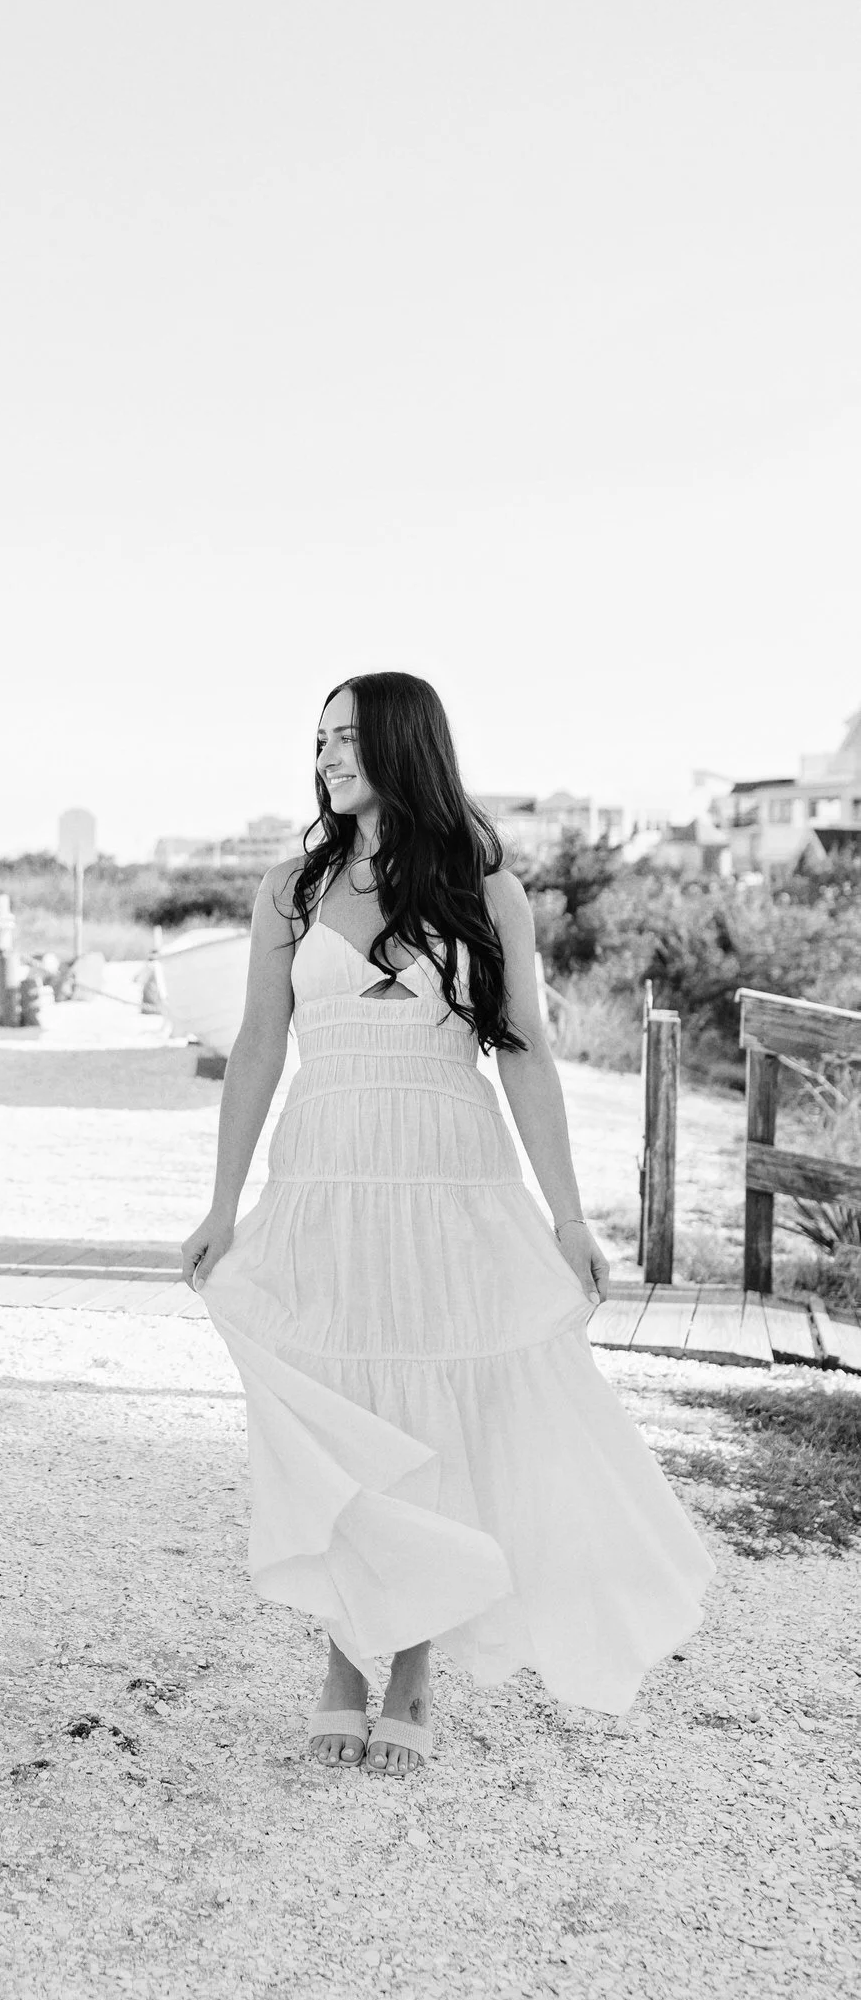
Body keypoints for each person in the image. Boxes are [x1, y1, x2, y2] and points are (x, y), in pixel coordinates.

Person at [181, 672, 712, 1776]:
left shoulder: (484, 885)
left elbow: (524, 1054)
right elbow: (258, 1050)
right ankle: (342, 1655)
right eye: (318, 738)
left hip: (449, 1184)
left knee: (431, 1421)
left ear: (401, 743)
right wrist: (222, 1202)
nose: (326, 756)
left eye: (347, 737)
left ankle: (412, 1664)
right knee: (343, 1418)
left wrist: (569, 1219)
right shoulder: (291, 884)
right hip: (327, 1179)